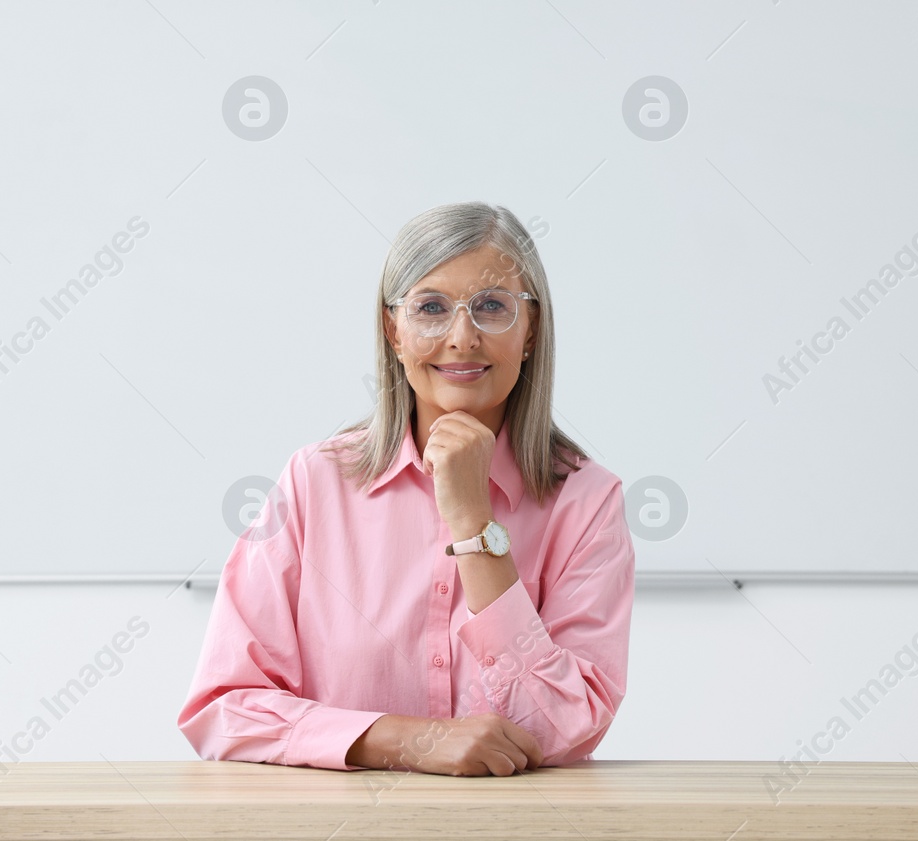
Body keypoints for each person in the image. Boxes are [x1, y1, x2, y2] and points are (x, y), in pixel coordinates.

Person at [177, 201, 635, 775]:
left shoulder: (587, 502)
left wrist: (473, 524)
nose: (462, 337)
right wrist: (403, 740)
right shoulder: (313, 483)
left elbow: (560, 731)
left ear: (530, 330)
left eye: (492, 306)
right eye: (431, 308)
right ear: (394, 330)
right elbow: (225, 709)